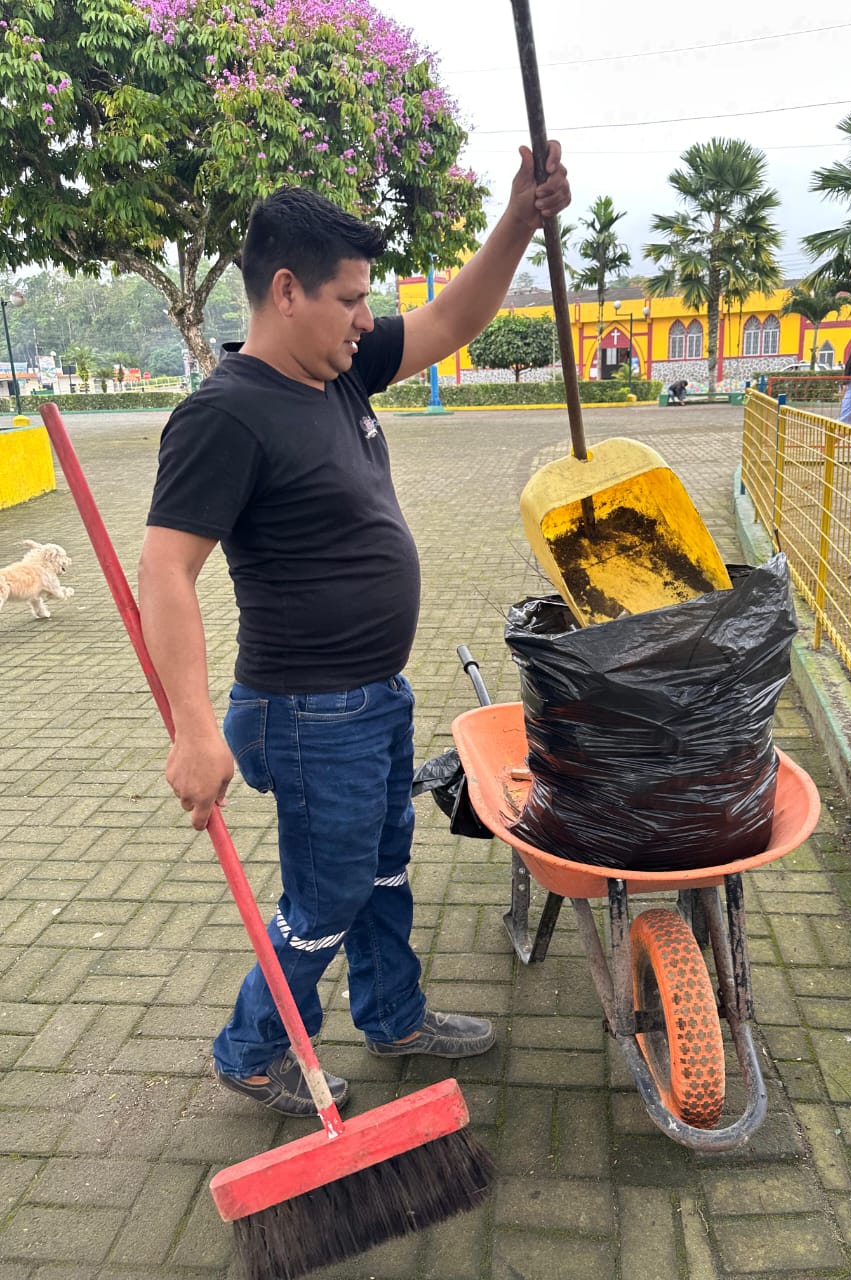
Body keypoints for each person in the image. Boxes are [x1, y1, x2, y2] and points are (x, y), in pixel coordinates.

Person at [138, 146, 571, 1116]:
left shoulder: (337, 369)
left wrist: (517, 220)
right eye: (350, 299)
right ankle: (254, 1049)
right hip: (305, 712)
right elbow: (165, 570)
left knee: (382, 870)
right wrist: (193, 729)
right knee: (327, 895)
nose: (366, 319)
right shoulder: (225, 416)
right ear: (286, 291)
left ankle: (393, 1015)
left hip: (375, 696)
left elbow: (452, 319)